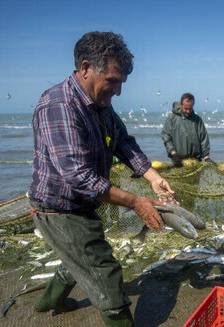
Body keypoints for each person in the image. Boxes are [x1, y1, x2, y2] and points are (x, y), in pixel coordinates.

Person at [29, 31, 175, 326]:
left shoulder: (101, 104)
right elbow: (78, 176)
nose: (118, 91)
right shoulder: (59, 105)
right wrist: (136, 202)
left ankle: (49, 302)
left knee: (79, 257)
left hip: (82, 204)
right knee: (104, 271)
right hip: (58, 208)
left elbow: (122, 141)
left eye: (121, 82)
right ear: (85, 68)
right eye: (112, 81)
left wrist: (152, 176)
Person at [161, 93, 212, 167]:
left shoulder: (197, 120)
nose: (188, 111)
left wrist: (206, 156)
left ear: (193, 105)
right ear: (181, 105)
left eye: (190, 109)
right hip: (178, 160)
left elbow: (203, 138)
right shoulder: (171, 118)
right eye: (186, 108)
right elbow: (166, 135)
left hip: (195, 160)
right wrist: (173, 153)